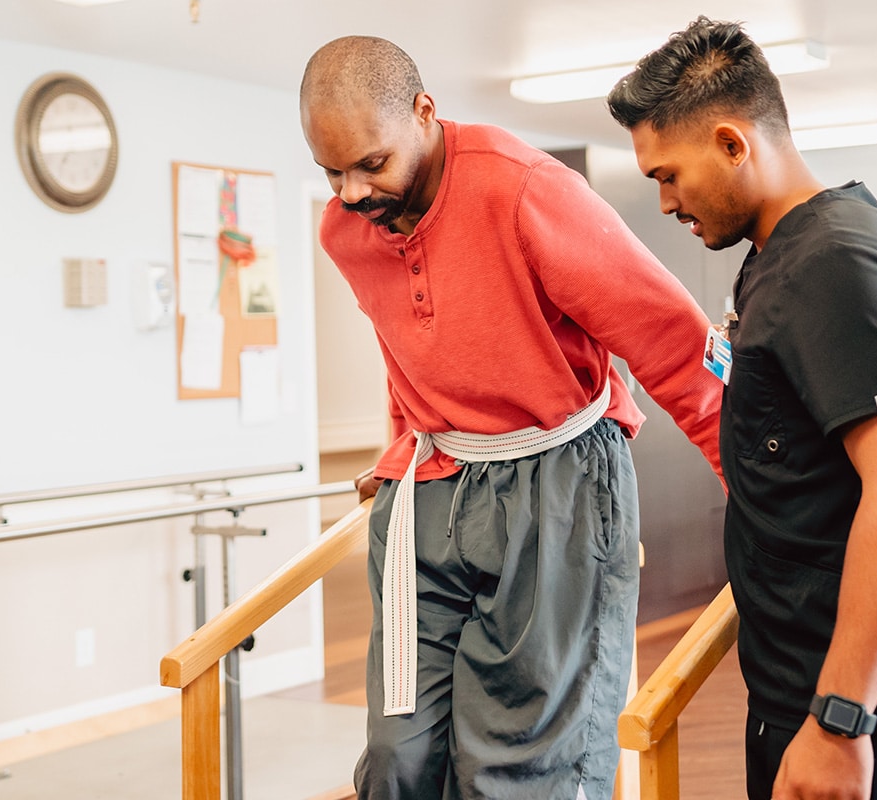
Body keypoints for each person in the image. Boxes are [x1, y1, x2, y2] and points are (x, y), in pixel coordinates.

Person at [299, 35, 724, 800]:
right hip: (432, 487)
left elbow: (671, 339)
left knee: (519, 770)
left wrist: (762, 486)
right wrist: (400, 447)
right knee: (397, 762)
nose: (354, 193)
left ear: (426, 113)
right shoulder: (344, 231)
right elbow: (408, 349)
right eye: (332, 173)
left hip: (554, 482)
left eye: (370, 164)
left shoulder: (521, 188)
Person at [607, 17, 877, 800]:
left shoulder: (839, 262)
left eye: (668, 174)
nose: (662, 201)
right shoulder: (774, 258)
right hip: (808, 698)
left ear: (731, 142)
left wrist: (840, 721)